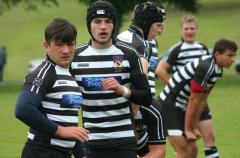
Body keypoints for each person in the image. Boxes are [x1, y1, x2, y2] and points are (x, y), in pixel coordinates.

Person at [70, 1, 152, 158]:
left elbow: (146, 96)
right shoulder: (75, 57)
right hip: (91, 143)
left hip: (124, 142)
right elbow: (65, 105)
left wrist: (123, 90)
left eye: (108, 21)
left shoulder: (129, 54)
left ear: (114, 25)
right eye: (97, 21)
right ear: (89, 25)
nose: (103, 27)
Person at [15, 18, 89, 158]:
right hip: (41, 151)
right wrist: (59, 131)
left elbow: (68, 123)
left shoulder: (69, 75)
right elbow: (23, 108)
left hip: (61, 153)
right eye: (59, 45)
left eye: (70, 44)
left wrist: (81, 154)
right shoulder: (45, 74)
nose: (66, 50)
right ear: (46, 45)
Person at [157, 38, 238, 158]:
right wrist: (188, 129)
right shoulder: (206, 67)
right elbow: (194, 99)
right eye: (229, 55)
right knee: (184, 151)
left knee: (193, 150)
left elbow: (203, 100)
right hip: (168, 106)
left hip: (181, 106)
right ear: (217, 54)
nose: (232, 60)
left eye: (234, 56)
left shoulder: (218, 70)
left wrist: (194, 127)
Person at [155, 15, 220, 158]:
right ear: (181, 30)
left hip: (199, 99)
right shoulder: (176, 49)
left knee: (209, 138)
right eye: (186, 29)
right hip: (181, 102)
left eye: (192, 28)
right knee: (187, 148)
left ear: (196, 29)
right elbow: (160, 70)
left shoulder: (202, 48)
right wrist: (177, 89)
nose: (189, 31)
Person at [118, 2, 167, 158]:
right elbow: (140, 79)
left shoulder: (119, 37)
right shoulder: (142, 45)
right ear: (146, 24)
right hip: (133, 104)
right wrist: (133, 112)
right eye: (158, 25)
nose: (160, 31)